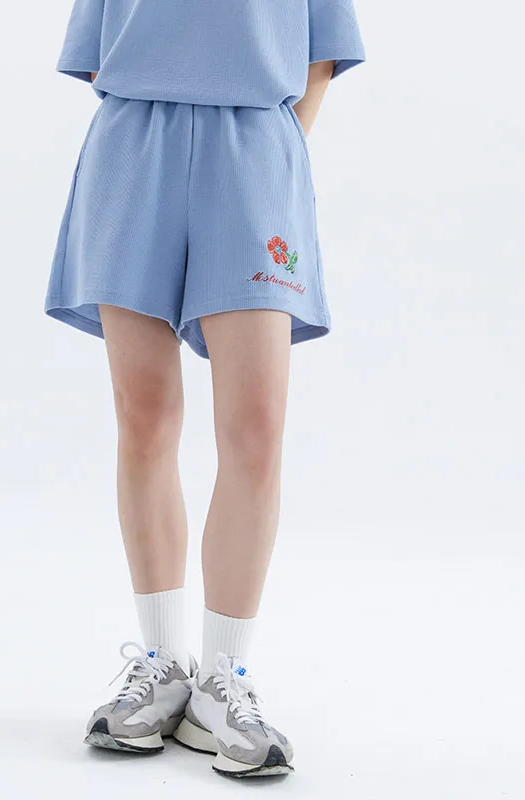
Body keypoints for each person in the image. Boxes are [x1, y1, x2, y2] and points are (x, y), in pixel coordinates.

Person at [45, 0, 365, 778]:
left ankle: (225, 678)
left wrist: (270, 152)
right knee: (146, 418)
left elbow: (322, 54)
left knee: (255, 427)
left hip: (254, 147)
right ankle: (161, 665)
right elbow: (97, 51)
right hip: (135, 146)